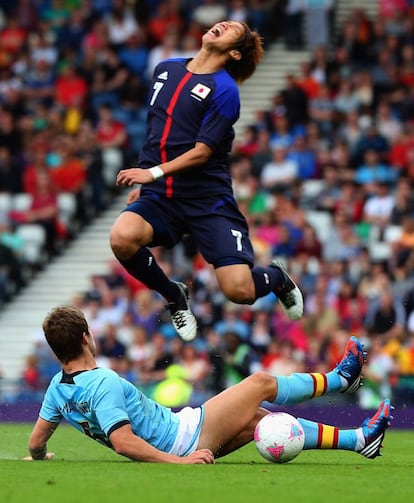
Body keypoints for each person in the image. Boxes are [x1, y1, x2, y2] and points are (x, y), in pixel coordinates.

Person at [110, 21, 304, 342]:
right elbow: (158, 133)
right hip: (162, 195)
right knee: (121, 237)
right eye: (223, 22)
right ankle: (173, 295)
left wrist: (152, 173)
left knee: (239, 290)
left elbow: (201, 153)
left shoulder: (225, 91)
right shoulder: (166, 69)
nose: (223, 24)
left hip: (206, 200)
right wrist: (149, 183)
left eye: (232, 30)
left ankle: (277, 277)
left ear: (234, 53)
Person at [25, 306, 391, 463]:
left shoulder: (58, 387)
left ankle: (359, 441)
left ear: (57, 349)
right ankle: (341, 379)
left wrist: (40, 457)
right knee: (261, 382)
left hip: (181, 435)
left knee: (262, 422)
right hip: (182, 438)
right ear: (87, 337)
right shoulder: (101, 380)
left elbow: (36, 442)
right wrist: (176, 463)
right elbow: (122, 442)